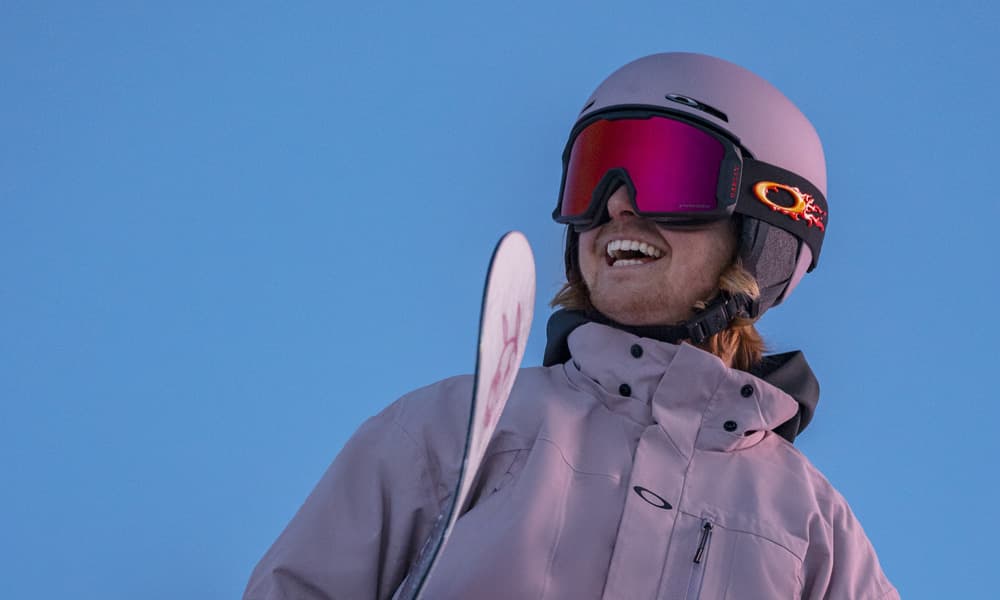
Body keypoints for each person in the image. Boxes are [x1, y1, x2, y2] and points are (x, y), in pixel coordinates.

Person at [244, 52, 898, 599]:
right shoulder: (448, 433)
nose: (617, 205)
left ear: (766, 232)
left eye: (667, 175)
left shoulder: (814, 532)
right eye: (595, 176)